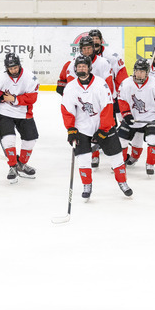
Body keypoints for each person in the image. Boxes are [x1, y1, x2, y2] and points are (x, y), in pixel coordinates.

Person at [61, 54, 133, 200]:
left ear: (89, 68)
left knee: (116, 157)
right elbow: (67, 109)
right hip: (82, 127)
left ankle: (122, 182)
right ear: (75, 68)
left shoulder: (100, 84)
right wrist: (71, 129)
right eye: (79, 66)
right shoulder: (70, 87)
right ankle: (87, 185)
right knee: (83, 158)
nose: (81, 68)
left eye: (84, 66)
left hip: (103, 125)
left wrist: (104, 129)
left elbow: (107, 107)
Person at [55, 35, 112, 168]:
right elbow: (66, 83)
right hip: (81, 102)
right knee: (84, 128)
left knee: (100, 127)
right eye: (84, 48)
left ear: (94, 48)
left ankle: (102, 153)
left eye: (89, 48)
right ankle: (92, 154)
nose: (86, 51)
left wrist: (107, 98)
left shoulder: (103, 62)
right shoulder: (72, 63)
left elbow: (108, 83)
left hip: (100, 100)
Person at [0, 52, 40, 183]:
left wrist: (14, 99)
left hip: (24, 113)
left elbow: (32, 98)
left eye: (15, 68)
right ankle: (12, 166)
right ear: (6, 68)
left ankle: (21, 164)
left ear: (19, 65)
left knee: (31, 140)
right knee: (8, 140)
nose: (13, 70)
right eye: (10, 68)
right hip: (5, 113)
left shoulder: (29, 77)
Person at [116, 57, 155, 175]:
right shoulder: (126, 83)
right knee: (121, 141)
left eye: (142, 72)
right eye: (137, 71)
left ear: (147, 73)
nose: (139, 74)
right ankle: (120, 163)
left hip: (150, 118)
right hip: (133, 118)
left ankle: (150, 164)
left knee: (153, 139)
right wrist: (126, 114)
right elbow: (122, 100)